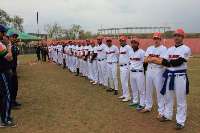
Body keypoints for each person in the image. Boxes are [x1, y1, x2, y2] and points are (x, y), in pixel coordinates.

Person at [149, 28, 191, 130]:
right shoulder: (170, 49)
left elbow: (178, 62)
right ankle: (167, 115)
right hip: (169, 76)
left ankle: (180, 121)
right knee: (168, 97)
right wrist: (162, 61)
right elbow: (164, 61)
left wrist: (156, 60)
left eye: (179, 36)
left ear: (182, 37)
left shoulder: (186, 49)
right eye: (175, 35)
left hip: (180, 76)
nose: (176, 37)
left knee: (181, 100)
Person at [140, 32, 167, 120]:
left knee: (159, 92)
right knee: (148, 90)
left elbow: (161, 61)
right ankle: (148, 106)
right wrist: (155, 59)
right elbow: (144, 60)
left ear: (160, 39)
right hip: (149, 70)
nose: (156, 40)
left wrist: (151, 59)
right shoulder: (149, 48)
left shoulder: (163, 49)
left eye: (157, 38)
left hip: (158, 71)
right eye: (154, 38)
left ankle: (161, 111)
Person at [0, 24, 16, 127]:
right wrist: (9, 46)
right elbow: (9, 57)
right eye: (3, 32)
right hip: (2, 72)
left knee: (5, 95)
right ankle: (5, 120)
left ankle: (6, 116)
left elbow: (9, 59)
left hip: (4, 71)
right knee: (6, 95)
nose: (5, 35)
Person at [128, 37, 146, 110]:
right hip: (132, 72)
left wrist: (144, 72)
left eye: (135, 42)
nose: (133, 44)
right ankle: (135, 101)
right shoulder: (130, 51)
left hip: (139, 73)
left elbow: (145, 63)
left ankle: (142, 104)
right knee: (133, 88)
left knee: (141, 89)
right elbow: (130, 61)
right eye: (132, 42)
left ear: (138, 44)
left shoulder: (142, 52)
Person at [118, 36, 132, 102]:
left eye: (122, 41)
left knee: (125, 81)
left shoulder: (128, 47)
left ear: (125, 41)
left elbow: (131, 56)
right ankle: (124, 94)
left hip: (126, 66)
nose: (121, 42)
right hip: (121, 66)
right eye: (120, 41)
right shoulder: (121, 47)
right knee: (122, 81)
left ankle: (128, 96)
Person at [9, 32, 21, 108]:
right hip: (10, 68)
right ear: (9, 37)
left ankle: (14, 100)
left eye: (15, 37)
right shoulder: (8, 46)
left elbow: (17, 52)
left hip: (14, 67)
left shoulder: (14, 45)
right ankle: (11, 102)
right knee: (12, 86)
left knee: (15, 86)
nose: (15, 38)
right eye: (13, 37)